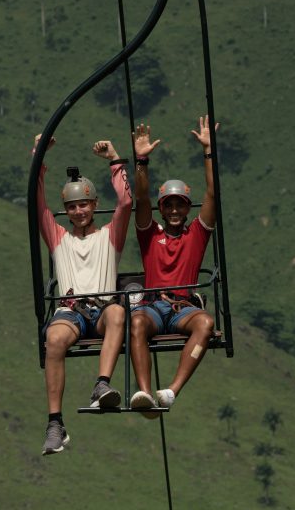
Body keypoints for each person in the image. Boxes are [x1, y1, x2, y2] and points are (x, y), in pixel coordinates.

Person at [34, 134, 132, 454]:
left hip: (101, 309)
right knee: (55, 339)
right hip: (72, 310)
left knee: (118, 312)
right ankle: (54, 423)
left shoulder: (109, 237)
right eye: (72, 206)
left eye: (84, 205)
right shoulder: (60, 239)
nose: (78, 212)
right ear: (67, 210)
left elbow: (127, 203)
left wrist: (115, 161)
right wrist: (39, 156)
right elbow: (36, 204)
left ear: (94, 206)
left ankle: (101, 383)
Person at [128, 116, 217, 417]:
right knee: (137, 322)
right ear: (162, 209)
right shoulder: (150, 234)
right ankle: (144, 391)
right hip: (154, 307)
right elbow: (140, 198)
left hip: (183, 308)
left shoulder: (196, 235)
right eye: (169, 205)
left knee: (205, 324)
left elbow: (213, 194)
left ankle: (171, 391)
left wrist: (208, 152)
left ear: (187, 208)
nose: (176, 210)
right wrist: (141, 161)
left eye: (181, 205)